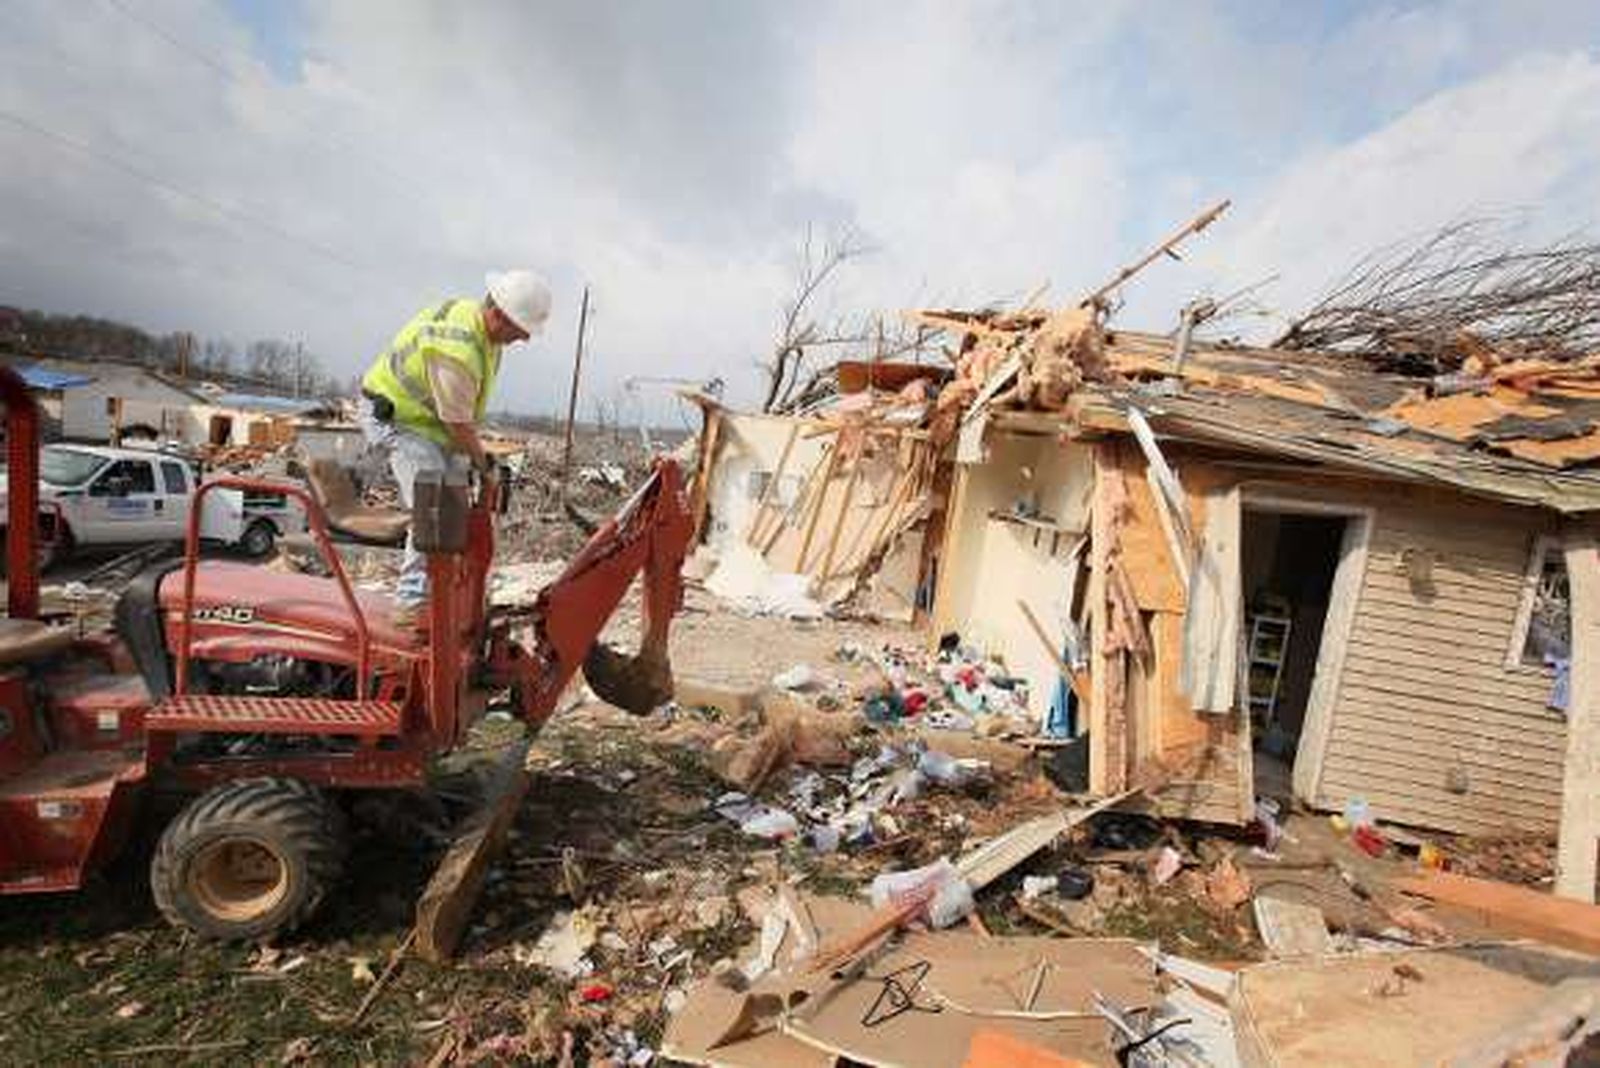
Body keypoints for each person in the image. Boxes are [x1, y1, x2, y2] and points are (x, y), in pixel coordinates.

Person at [358, 269, 551, 624]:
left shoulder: (482, 332)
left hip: (430, 424)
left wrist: (476, 456)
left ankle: (447, 588)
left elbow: (461, 415)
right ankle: (411, 601)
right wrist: (483, 464)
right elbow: (457, 422)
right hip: (397, 420)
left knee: (455, 497)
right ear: (499, 314)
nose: (523, 339)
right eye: (520, 330)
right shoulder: (457, 348)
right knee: (434, 505)